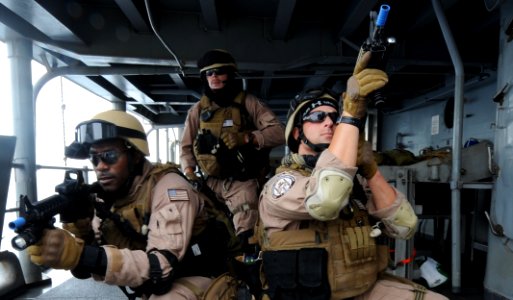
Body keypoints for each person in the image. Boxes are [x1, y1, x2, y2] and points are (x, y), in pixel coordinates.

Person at [256, 52, 449, 299]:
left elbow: (405, 226)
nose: (329, 122)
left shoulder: (353, 181)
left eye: (334, 117)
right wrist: (351, 116)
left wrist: (370, 170)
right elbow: (326, 201)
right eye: (317, 117)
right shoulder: (281, 184)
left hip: (362, 289)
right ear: (296, 134)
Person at [27, 110, 240, 299]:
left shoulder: (171, 189)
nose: (100, 167)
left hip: (204, 276)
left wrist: (78, 254)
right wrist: (80, 229)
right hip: (154, 281)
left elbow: (160, 270)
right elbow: (91, 264)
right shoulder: (108, 197)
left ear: (135, 155)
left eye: (109, 156)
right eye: (94, 159)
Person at [180, 49, 285, 245]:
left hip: (241, 183)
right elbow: (186, 147)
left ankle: (249, 268)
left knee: (247, 236)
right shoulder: (198, 110)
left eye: (219, 72)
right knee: (197, 228)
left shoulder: (248, 103)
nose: (214, 77)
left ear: (230, 74)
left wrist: (248, 138)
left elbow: (279, 132)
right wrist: (189, 173)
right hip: (209, 182)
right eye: (209, 73)